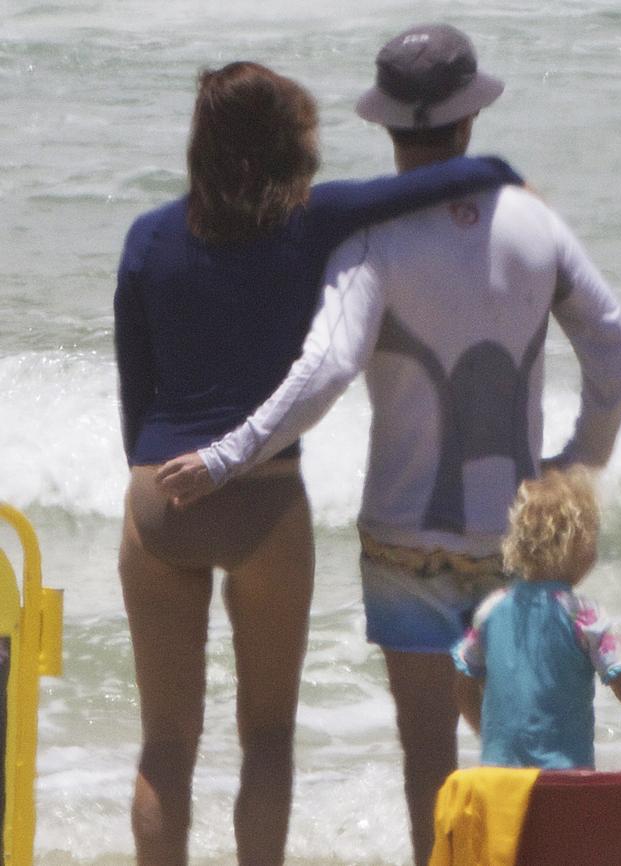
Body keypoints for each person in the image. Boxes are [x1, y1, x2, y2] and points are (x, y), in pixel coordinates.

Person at [157, 25, 621, 866]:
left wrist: (229, 454)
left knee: (429, 762)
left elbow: (326, 370)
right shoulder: (534, 223)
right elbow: (614, 340)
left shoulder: (370, 241)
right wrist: (574, 465)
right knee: (519, 753)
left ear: (386, 126)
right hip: (516, 542)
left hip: (404, 541)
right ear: (470, 119)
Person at [115, 60, 521, 866]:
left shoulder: (148, 238)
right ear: (285, 144)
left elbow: (137, 396)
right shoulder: (312, 220)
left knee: (165, 746)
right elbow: (456, 180)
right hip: (264, 500)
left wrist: (155, 478)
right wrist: (502, 174)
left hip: (157, 498)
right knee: (267, 735)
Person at [453, 467, 621, 768]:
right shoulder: (585, 616)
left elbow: (463, 685)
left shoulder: (490, 611)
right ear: (577, 544)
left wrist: (491, 737)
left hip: (499, 782)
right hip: (565, 783)